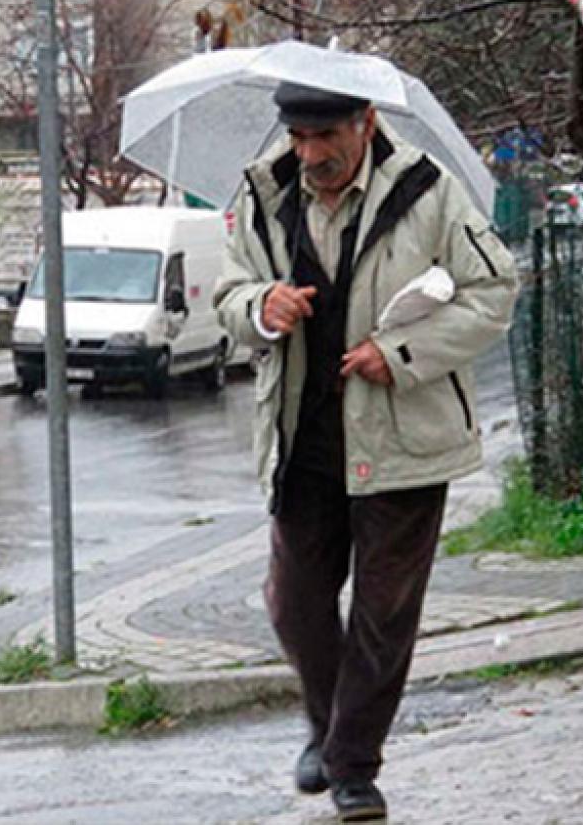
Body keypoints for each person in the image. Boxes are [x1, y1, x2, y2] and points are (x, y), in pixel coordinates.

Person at [214, 81, 519, 822]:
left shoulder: (428, 190)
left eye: (327, 137)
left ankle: (353, 766)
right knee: (293, 603)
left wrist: (402, 349)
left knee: (384, 612)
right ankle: (330, 725)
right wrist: (261, 306)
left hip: (404, 437)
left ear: (367, 123)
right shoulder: (263, 195)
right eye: (299, 138)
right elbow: (228, 294)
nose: (311, 154)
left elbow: (494, 290)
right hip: (301, 437)